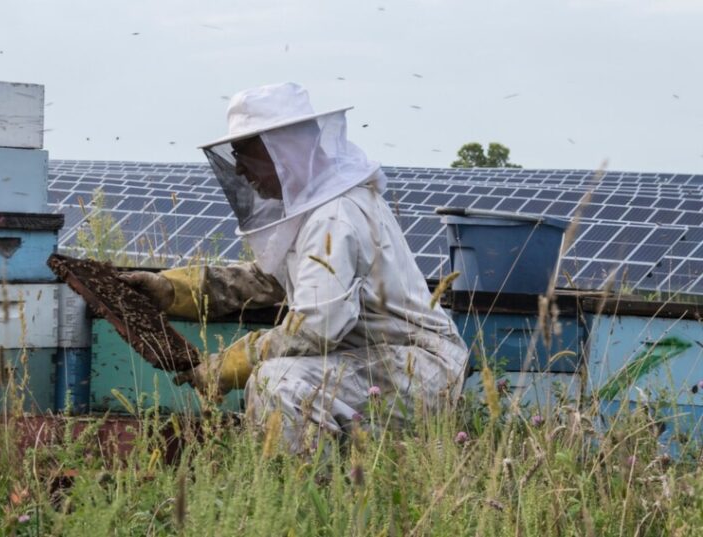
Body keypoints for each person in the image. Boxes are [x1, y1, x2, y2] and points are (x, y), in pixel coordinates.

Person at [121, 82, 468, 452]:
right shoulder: (315, 208)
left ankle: (303, 494)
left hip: (414, 365)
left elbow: (316, 327)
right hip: (378, 360)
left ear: (285, 151)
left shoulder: (334, 215)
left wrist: (231, 363)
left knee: (279, 381)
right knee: (285, 379)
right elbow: (266, 278)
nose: (239, 169)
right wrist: (174, 290)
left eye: (247, 154)